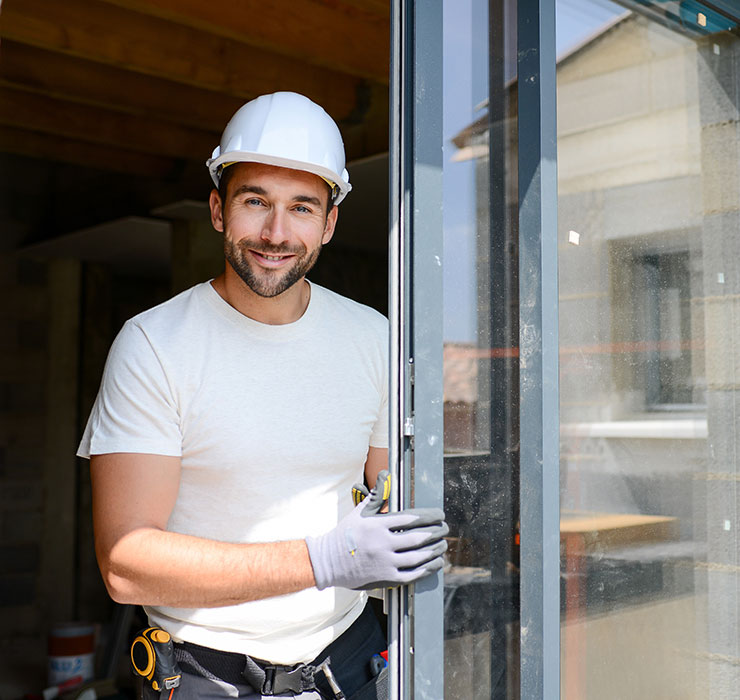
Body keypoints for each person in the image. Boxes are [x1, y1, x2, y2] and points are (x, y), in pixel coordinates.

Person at [77, 92, 448, 700]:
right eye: (256, 202)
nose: (276, 234)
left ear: (329, 223)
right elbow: (125, 564)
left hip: (351, 664)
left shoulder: (373, 336)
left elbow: (388, 499)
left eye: (302, 207)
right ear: (219, 210)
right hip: (206, 674)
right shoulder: (154, 344)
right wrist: (323, 560)